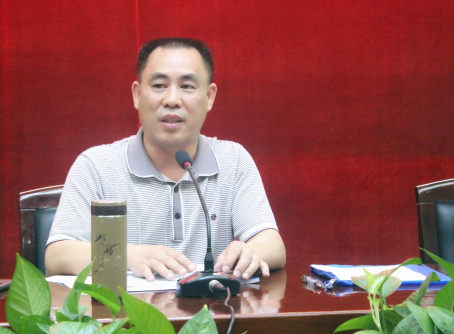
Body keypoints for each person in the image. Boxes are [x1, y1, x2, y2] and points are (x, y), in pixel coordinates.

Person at [45, 38, 285, 281]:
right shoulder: (96, 166)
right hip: (126, 306)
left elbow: (273, 245)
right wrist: (127, 256)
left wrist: (251, 252)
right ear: (137, 94)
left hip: (212, 305)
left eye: (187, 86)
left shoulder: (233, 161)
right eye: (159, 85)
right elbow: (56, 256)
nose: (172, 100)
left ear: (209, 96)